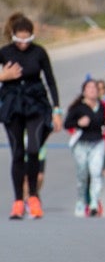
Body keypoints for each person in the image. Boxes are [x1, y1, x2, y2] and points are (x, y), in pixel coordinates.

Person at [1, 13, 60, 219]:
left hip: (36, 104)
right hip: (12, 105)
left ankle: (33, 196)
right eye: (19, 39)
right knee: (18, 153)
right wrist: (3, 76)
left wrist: (57, 110)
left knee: (34, 149)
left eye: (27, 39)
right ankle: (18, 201)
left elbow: (51, 81)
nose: (23, 44)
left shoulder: (40, 52)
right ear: (13, 36)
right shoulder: (5, 52)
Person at [65, 78, 105, 218]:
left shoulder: (102, 106)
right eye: (89, 88)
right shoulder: (78, 107)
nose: (92, 90)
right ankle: (81, 201)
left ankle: (94, 203)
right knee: (82, 173)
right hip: (81, 144)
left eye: (95, 88)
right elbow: (67, 124)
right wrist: (79, 122)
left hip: (98, 143)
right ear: (84, 91)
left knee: (96, 172)